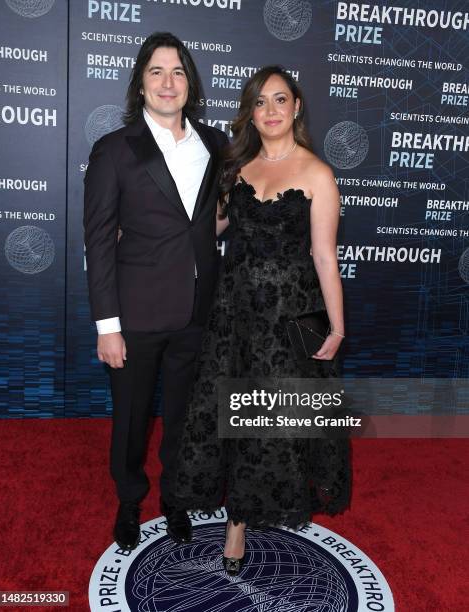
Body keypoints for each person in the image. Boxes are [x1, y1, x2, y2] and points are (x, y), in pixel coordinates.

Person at [174, 65, 351, 575]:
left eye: (280, 100)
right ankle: (236, 524)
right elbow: (206, 229)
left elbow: (324, 256)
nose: (270, 111)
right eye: (260, 102)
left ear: (296, 107)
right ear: (250, 113)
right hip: (235, 314)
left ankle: (245, 515)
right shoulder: (237, 167)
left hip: (292, 313)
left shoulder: (317, 173)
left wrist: (336, 328)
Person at [83, 32, 228, 551]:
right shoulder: (114, 150)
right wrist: (107, 325)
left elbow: (211, 219)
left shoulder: (214, 144)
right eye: (156, 72)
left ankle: (175, 497)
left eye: (178, 72)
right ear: (141, 84)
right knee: (132, 419)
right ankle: (128, 501)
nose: (168, 82)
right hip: (136, 316)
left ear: (190, 82)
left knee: (184, 419)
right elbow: (98, 240)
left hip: (196, 311)